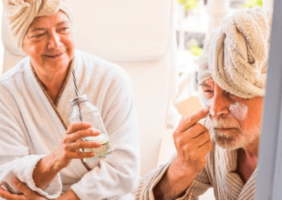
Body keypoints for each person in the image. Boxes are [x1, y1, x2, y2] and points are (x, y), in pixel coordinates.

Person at [0, 0, 140, 200]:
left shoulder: (111, 80)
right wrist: (55, 160)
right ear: (22, 43)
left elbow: (123, 170)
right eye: (39, 34)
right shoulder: (5, 92)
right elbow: (6, 175)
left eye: (63, 29)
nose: (55, 43)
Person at [136, 6, 271, 200]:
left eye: (233, 92)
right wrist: (181, 169)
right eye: (208, 91)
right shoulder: (210, 140)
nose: (215, 110)